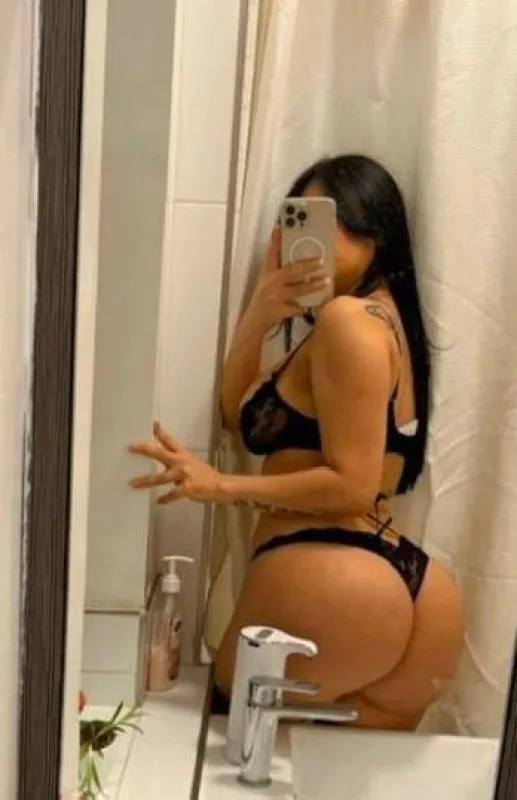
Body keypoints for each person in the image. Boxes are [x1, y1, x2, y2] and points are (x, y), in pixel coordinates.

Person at [129, 155, 464, 731]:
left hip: (331, 580)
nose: (300, 238)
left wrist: (220, 485)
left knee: (230, 751)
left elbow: (351, 485)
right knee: (332, 773)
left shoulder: (347, 322)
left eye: (321, 219)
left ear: (374, 231)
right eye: (293, 221)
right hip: (414, 590)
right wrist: (263, 308)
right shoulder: (384, 322)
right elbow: (235, 414)